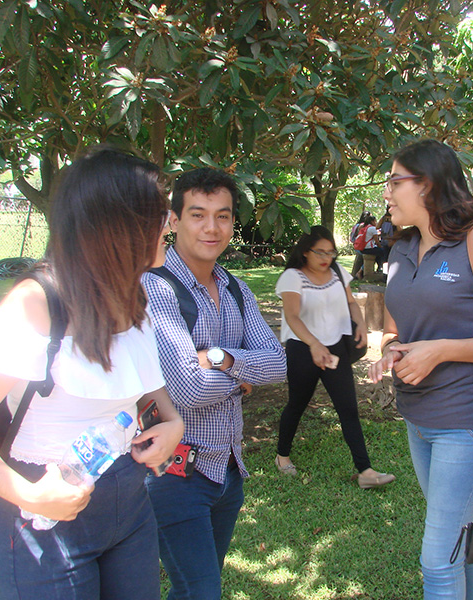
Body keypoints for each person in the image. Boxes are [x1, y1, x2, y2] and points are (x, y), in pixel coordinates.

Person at [0, 146, 184, 599]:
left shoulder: (132, 293)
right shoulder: (35, 304)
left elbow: (141, 383)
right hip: (44, 518)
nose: (171, 224)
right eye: (161, 214)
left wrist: (173, 422)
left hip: (129, 506)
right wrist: (28, 495)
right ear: (118, 225)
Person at [368, 139, 473, 600]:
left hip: (469, 422)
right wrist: (391, 351)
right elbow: (396, 330)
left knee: (437, 562)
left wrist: (441, 352)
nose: (386, 193)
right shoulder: (401, 249)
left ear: (428, 185)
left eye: (395, 181)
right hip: (418, 421)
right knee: (459, 542)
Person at [141, 167, 287, 600]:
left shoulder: (236, 288)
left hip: (227, 469)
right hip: (174, 472)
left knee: (194, 589)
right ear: (174, 220)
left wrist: (221, 358)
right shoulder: (156, 287)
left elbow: (280, 364)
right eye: (197, 214)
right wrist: (242, 379)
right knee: (201, 591)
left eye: (222, 216)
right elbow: (187, 389)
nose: (211, 227)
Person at [274, 225, 395, 488]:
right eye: (320, 252)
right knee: (297, 404)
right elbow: (292, 316)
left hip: (335, 349)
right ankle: (282, 456)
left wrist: (360, 323)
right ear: (305, 252)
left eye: (330, 252)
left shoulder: (338, 272)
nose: (326, 258)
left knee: (348, 408)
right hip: (303, 350)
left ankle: (365, 471)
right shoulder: (293, 277)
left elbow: (351, 302)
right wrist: (314, 345)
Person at [350, 211, 372, 280]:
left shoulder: (356, 225)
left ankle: (357, 273)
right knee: (370, 256)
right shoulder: (362, 225)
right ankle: (359, 273)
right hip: (360, 246)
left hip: (356, 245)